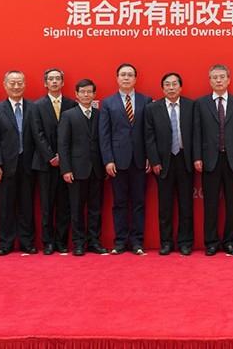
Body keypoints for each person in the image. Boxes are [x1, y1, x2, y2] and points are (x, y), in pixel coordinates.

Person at [99, 63, 152, 255]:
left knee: (139, 202)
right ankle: (120, 241)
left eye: (130, 75)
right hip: (117, 161)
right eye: (123, 74)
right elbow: (104, 134)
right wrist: (108, 160)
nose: (126, 78)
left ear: (135, 79)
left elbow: (149, 132)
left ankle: (137, 241)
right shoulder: (108, 103)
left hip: (140, 160)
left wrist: (150, 157)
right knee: (119, 203)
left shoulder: (146, 100)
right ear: (117, 78)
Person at [193, 64, 233, 256]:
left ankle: (230, 242)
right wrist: (197, 157)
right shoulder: (201, 103)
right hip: (209, 160)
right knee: (211, 204)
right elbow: (196, 132)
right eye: (215, 77)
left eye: (222, 77)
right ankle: (211, 242)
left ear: (229, 79)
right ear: (210, 81)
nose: (219, 80)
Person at [0, 70, 36, 255]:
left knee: (27, 205)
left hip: (28, 164)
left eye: (19, 83)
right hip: (5, 165)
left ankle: (27, 242)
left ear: (25, 84)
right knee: (5, 206)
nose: (16, 86)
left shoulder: (33, 107)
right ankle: (6, 243)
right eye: (12, 83)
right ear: (5, 85)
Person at [145, 73, 195, 256]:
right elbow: (149, 137)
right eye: (167, 84)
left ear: (180, 87)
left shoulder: (191, 106)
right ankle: (166, 242)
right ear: (162, 88)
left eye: (174, 84)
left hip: (185, 160)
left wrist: (196, 158)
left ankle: (185, 242)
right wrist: (154, 161)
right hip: (163, 162)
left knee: (186, 205)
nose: (171, 88)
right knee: (165, 206)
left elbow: (197, 134)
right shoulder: (152, 108)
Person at [58, 79, 108, 256]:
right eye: (83, 92)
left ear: (94, 94)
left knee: (95, 209)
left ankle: (94, 242)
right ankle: (78, 243)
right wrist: (66, 169)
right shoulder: (68, 115)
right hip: (76, 170)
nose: (86, 95)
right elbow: (63, 144)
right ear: (77, 94)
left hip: (97, 169)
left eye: (89, 92)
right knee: (77, 209)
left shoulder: (100, 114)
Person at [31, 68, 76, 255]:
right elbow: (37, 134)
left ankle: (61, 241)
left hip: (67, 164)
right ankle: (48, 242)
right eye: (51, 79)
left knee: (64, 204)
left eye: (58, 79)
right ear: (45, 83)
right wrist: (51, 156)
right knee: (47, 205)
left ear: (63, 82)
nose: (55, 82)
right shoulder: (37, 105)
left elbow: (74, 135)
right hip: (45, 163)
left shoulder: (72, 104)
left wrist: (63, 157)